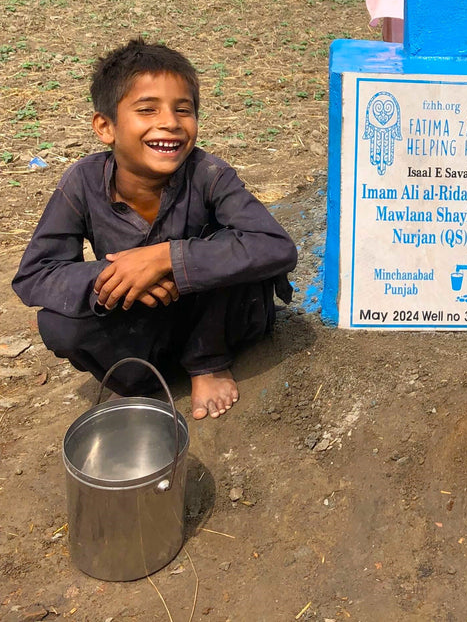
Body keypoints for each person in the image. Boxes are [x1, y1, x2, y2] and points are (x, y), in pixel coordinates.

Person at [12, 40, 298, 419]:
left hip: (217, 318)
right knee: (57, 322)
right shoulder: (82, 183)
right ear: (105, 127)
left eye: (184, 110)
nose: (170, 122)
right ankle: (138, 381)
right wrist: (116, 276)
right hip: (141, 322)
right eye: (147, 110)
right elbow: (35, 274)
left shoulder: (209, 174)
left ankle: (208, 362)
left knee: (232, 250)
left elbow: (276, 247)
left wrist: (167, 259)